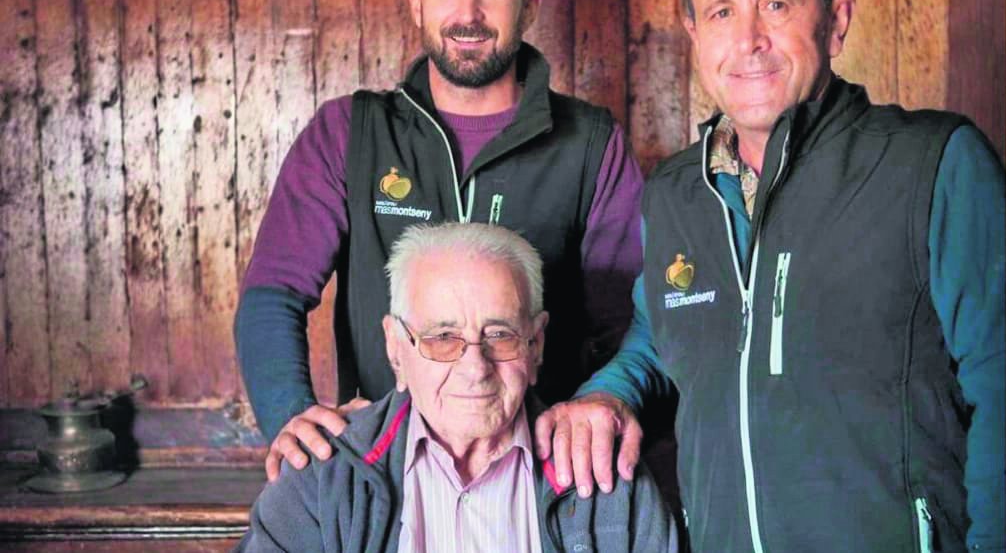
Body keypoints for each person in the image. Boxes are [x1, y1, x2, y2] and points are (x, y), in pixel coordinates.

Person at [535, 0, 1006, 552]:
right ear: (695, 36)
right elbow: (664, 330)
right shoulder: (674, 193)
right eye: (722, 12)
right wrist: (610, 391)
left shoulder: (935, 165)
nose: (749, 40)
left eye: (776, 5)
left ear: (836, 20)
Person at [234, 0, 643, 482]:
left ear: (528, 4)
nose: (468, 13)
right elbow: (273, 292)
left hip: (544, 480)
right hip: (386, 478)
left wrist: (602, 404)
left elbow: (635, 321)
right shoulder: (349, 133)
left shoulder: (590, 143)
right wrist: (290, 416)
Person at [237, 223, 678, 552]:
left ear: (536, 345)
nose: (474, 367)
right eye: (442, 338)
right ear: (396, 348)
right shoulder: (323, 477)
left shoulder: (604, 473)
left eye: (500, 335)